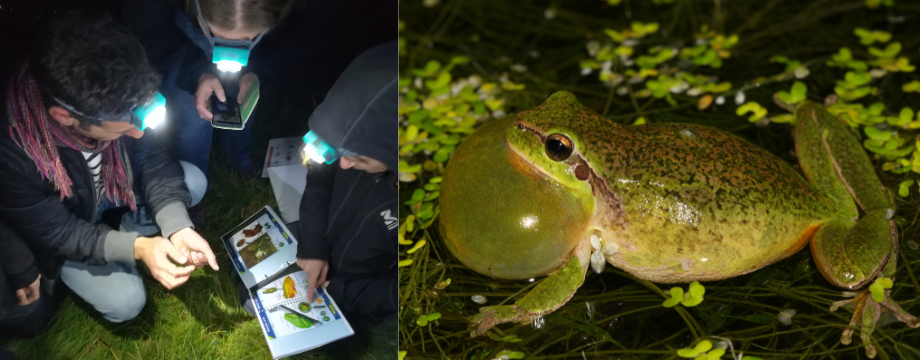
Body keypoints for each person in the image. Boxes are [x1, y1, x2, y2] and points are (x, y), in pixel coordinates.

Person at [0, 11, 218, 324]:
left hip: (113, 193)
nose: (139, 133)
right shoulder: (15, 151)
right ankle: (121, 243)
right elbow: (58, 233)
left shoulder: (124, 91)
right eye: (122, 130)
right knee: (126, 303)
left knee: (193, 182)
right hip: (69, 224)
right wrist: (138, 248)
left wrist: (177, 225)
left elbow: (153, 160)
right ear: (65, 118)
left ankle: (125, 237)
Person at [122, 0, 294, 190]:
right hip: (183, 44)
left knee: (243, 108)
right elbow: (153, 37)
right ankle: (195, 183)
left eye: (247, 41)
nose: (230, 54)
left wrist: (255, 71)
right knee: (192, 124)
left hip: (252, 52)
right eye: (216, 36)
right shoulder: (149, 9)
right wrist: (195, 74)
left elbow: (288, 48)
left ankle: (241, 161)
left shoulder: (285, 18)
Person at [296, 41, 398, 317]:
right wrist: (312, 245)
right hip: (321, 243)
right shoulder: (346, 136)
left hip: (360, 285)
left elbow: (401, 291)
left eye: (360, 159)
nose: (344, 164)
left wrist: (344, 293)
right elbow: (319, 179)